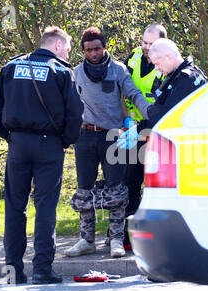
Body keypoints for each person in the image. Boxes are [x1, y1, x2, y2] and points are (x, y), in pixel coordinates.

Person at [0, 26, 84, 284]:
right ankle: (42, 270)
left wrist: (9, 136)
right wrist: (65, 141)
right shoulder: (62, 72)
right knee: (45, 208)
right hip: (49, 146)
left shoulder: (10, 67)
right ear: (56, 45)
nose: (68, 53)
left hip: (18, 144)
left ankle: (13, 272)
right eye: (67, 47)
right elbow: (76, 115)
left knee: (14, 207)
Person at [66, 27, 150, 258]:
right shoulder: (76, 73)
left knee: (116, 190)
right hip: (85, 137)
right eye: (88, 50)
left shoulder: (119, 70)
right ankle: (86, 240)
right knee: (84, 191)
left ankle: (115, 240)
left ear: (105, 48)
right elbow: (67, 103)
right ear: (83, 51)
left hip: (113, 137)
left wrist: (150, 114)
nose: (93, 53)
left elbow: (134, 94)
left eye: (97, 49)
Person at [121, 23, 167, 250]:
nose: (146, 48)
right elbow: (122, 89)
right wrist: (126, 120)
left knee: (155, 185)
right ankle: (129, 236)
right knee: (130, 182)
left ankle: (155, 236)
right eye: (144, 43)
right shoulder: (133, 58)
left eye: (151, 44)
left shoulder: (166, 64)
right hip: (133, 130)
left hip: (156, 131)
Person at [118, 38, 207, 147]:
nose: (156, 68)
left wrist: (137, 131)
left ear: (168, 57)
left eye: (157, 64)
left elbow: (165, 116)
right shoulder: (176, 77)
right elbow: (157, 109)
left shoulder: (187, 79)